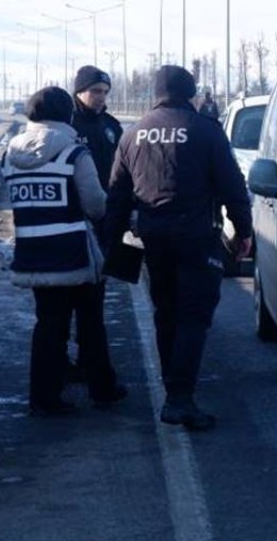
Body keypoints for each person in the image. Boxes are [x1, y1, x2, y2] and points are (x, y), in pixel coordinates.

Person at [106, 66, 252, 431]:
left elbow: (118, 194)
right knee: (194, 315)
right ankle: (180, 399)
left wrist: (114, 242)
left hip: (153, 236)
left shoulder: (133, 134)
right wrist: (244, 231)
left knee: (166, 311)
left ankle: (173, 388)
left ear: (155, 92)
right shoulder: (205, 130)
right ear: (189, 91)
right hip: (197, 235)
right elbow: (233, 186)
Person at [2, 86, 127, 415]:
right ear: (66, 115)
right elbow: (96, 205)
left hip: (31, 252)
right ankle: (103, 388)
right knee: (91, 323)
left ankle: (43, 397)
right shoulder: (73, 154)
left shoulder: (11, 154)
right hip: (74, 253)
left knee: (48, 326)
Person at [67, 65, 124, 383]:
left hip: (104, 218)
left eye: (104, 92)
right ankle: (73, 360)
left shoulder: (111, 125)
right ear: (79, 91)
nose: (101, 97)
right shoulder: (69, 125)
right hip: (73, 220)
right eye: (95, 91)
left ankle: (88, 357)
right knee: (68, 298)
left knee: (95, 293)